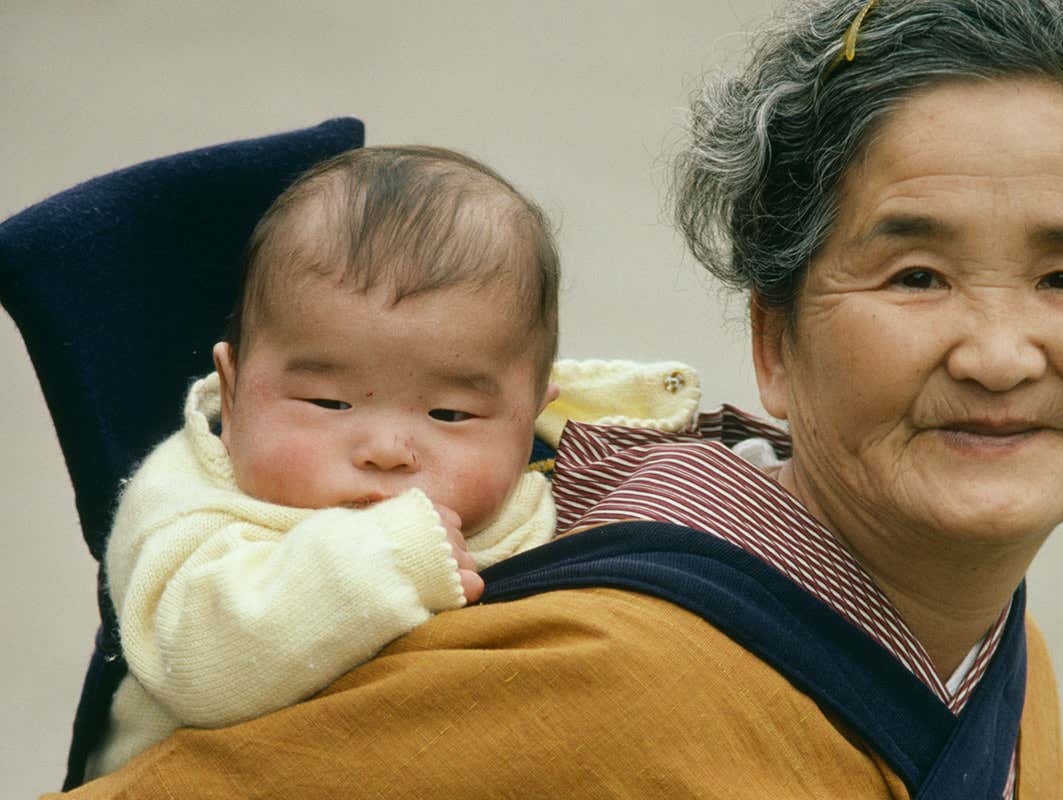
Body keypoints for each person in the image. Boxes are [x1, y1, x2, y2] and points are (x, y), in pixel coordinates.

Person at [49, 0, 1063, 798]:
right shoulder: (601, 670)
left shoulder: (1002, 646)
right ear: (774, 339)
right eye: (914, 274)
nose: (999, 352)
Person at [81, 145, 701, 781]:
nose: (385, 449)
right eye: (329, 401)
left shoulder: (560, 481)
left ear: (531, 418)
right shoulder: (187, 503)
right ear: (232, 392)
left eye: (450, 415)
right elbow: (199, 664)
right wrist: (384, 559)